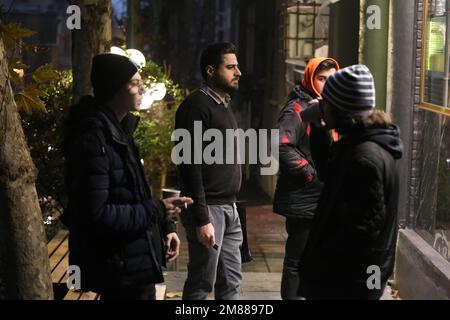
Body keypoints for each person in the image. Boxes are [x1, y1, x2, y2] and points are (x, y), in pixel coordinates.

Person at [62, 53, 192, 300]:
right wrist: (157, 210)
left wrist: (165, 226)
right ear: (114, 89)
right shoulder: (93, 139)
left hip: (132, 264)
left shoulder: (121, 131)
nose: (142, 88)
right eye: (134, 83)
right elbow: (97, 215)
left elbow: (134, 192)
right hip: (118, 268)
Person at [299, 64, 403, 300]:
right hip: (351, 280)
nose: (320, 106)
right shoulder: (363, 145)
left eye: (325, 102)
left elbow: (360, 233)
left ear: (339, 108)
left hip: (347, 284)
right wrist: (320, 130)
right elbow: (331, 175)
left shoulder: (364, 158)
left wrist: (320, 262)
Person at [175, 42, 243, 300]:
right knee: (202, 284)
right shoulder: (196, 107)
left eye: (237, 66)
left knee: (231, 282)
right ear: (211, 71)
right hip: (209, 209)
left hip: (229, 207)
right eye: (231, 67)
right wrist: (202, 218)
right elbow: (189, 165)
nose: (238, 72)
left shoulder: (222, 105)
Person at [273, 57, 339, 300]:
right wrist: (311, 173)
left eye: (332, 79)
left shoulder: (327, 106)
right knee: (297, 261)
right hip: (304, 199)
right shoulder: (299, 107)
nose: (327, 84)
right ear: (311, 79)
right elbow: (279, 145)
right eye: (322, 79)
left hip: (320, 198)